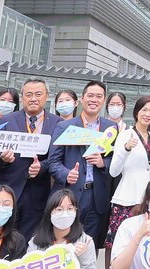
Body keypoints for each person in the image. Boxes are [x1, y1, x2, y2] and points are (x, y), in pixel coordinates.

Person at [45, 80, 117, 247]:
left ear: (104, 100)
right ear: (82, 99)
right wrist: (66, 174)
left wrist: (103, 163)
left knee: (90, 247)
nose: (94, 100)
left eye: (99, 96)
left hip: (97, 197)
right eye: (90, 95)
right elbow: (53, 161)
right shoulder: (64, 126)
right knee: (64, 245)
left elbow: (116, 160)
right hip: (69, 195)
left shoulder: (111, 128)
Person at [0, 78, 60, 237]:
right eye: (29, 94)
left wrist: (42, 167)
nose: (33, 98)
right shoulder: (7, 120)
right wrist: (3, 158)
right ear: (22, 97)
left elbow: (58, 157)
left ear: (46, 96)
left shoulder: (57, 123)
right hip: (8, 190)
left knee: (29, 241)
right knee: (0, 237)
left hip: (39, 193)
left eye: (38, 94)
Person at [108, 95, 150, 246]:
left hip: (146, 200)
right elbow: (114, 171)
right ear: (137, 111)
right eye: (144, 110)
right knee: (119, 244)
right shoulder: (125, 135)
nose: (148, 114)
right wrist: (126, 149)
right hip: (127, 199)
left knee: (143, 245)